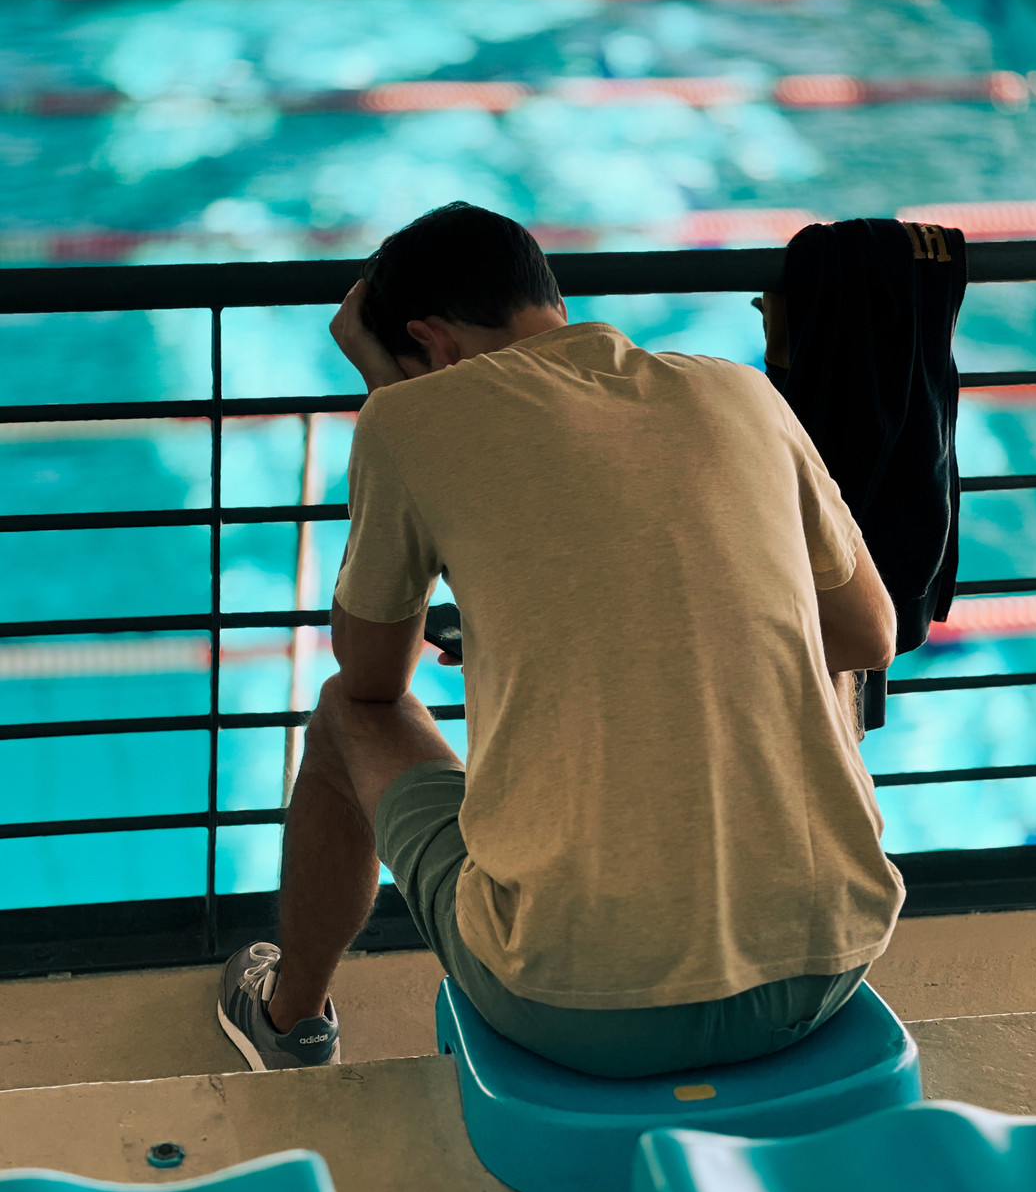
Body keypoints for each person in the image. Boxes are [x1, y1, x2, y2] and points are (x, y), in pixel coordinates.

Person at [217, 201, 904, 1077]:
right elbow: (867, 632)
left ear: (431, 344)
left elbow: (373, 675)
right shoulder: (739, 391)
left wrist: (393, 394)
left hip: (576, 1003)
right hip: (829, 963)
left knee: (340, 722)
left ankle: (289, 1021)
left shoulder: (411, 420)